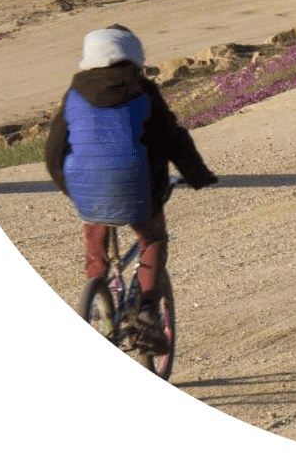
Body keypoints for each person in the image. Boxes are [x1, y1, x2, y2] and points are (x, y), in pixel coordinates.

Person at [44, 25, 218, 355]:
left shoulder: (74, 92)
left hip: (87, 187)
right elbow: (172, 138)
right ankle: (149, 311)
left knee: (95, 214)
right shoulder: (143, 89)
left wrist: (71, 188)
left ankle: (96, 278)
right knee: (152, 239)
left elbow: (54, 150)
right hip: (137, 188)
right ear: (133, 53)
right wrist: (198, 175)